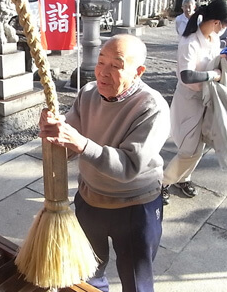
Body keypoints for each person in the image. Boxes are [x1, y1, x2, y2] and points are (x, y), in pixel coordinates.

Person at [38, 34, 170, 292]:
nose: (103, 73)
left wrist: (81, 144)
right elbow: (66, 146)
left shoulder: (151, 107)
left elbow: (130, 166)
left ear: (138, 71)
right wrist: (52, 131)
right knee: (88, 272)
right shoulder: (88, 94)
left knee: (136, 280)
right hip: (90, 201)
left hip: (135, 207)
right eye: (101, 62)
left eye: (116, 65)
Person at [162, 0, 227, 204]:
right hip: (189, 99)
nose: (225, 30)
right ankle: (163, 183)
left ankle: (183, 178)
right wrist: (213, 74)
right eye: (225, 25)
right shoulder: (190, 42)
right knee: (188, 149)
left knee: (199, 146)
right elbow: (187, 76)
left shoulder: (213, 39)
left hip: (206, 99)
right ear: (217, 22)